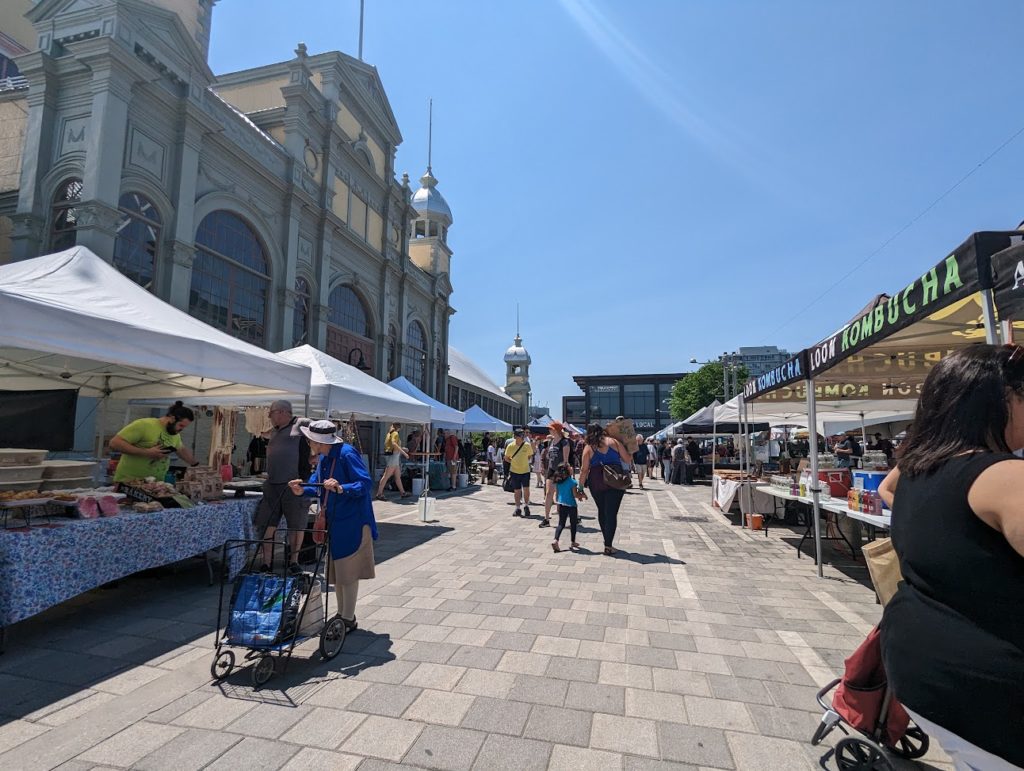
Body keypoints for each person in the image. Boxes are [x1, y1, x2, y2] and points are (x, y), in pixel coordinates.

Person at [875, 346, 1024, 769]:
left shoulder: (918, 469)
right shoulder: (1002, 476)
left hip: (919, 665)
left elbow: (887, 488)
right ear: (1000, 399)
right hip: (992, 689)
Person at [289, 420, 377, 634]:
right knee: (338, 571)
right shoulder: (324, 456)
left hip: (353, 521)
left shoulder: (346, 453)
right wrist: (304, 489)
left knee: (348, 570)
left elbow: (365, 483)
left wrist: (341, 488)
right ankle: (343, 615)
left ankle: (347, 618)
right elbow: (317, 483)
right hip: (336, 520)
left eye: (310, 439)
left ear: (318, 442)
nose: (308, 442)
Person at [251, 401, 313, 574]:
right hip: (272, 485)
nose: (269, 417)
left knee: (297, 525)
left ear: (282, 412)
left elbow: (323, 434)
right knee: (266, 523)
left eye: (271, 414)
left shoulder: (301, 423)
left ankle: (294, 561)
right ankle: (266, 563)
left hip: (295, 485)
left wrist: (317, 458)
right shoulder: (275, 431)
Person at [110, 401, 199, 484]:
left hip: (155, 484)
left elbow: (181, 450)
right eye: (181, 425)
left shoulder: (174, 433)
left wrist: (196, 465)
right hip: (129, 482)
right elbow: (115, 443)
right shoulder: (144, 425)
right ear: (172, 418)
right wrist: (147, 452)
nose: (181, 429)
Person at [578, 423, 630, 555]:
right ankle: (608, 545)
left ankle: (606, 542)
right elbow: (627, 459)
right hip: (615, 479)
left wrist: (580, 487)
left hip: (596, 480)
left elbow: (584, 470)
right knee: (611, 513)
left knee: (602, 510)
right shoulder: (615, 442)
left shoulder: (588, 448)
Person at [543, 422, 572, 528]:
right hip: (551, 469)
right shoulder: (551, 441)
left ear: (556, 430)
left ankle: (570, 517)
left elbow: (565, 460)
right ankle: (546, 519)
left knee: (563, 495)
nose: (549, 430)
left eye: (551, 429)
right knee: (549, 493)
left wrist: (564, 472)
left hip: (560, 470)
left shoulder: (564, 442)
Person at [550, 463, 584, 552]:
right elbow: (575, 495)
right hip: (571, 505)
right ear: (568, 471)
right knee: (573, 523)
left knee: (561, 524)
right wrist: (582, 496)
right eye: (570, 467)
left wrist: (557, 504)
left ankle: (555, 540)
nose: (572, 468)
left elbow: (557, 494)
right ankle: (573, 541)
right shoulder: (572, 482)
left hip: (561, 504)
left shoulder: (558, 482)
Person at [376, 422, 410, 500]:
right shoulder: (395, 433)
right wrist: (404, 453)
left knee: (397, 476)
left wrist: (402, 449)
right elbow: (394, 444)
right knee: (386, 476)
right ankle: (379, 493)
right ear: (399, 427)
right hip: (394, 457)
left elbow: (391, 445)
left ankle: (403, 492)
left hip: (393, 456)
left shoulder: (389, 433)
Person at [504, 429, 534, 517]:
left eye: (523, 435)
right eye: (521, 435)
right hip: (514, 471)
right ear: (516, 437)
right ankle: (517, 508)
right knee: (517, 490)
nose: (523, 437)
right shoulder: (510, 446)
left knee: (526, 489)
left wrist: (523, 462)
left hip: (525, 471)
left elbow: (529, 456)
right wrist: (513, 462)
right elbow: (506, 458)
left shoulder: (527, 445)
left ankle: (526, 506)